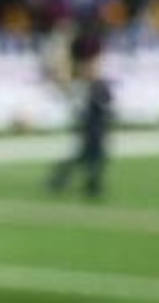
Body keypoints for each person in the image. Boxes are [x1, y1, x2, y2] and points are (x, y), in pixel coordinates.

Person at [47, 23, 114, 198]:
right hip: (90, 112)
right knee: (93, 150)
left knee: (88, 151)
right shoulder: (84, 70)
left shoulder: (89, 70)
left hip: (94, 111)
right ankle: (91, 184)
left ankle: (66, 178)